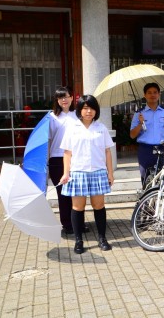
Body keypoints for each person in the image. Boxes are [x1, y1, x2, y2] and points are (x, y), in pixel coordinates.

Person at [60, 95, 115, 254]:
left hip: (98, 172)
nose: (88, 111)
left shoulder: (101, 128)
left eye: (91, 108)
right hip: (78, 172)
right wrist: (66, 173)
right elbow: (67, 153)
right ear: (79, 110)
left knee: (99, 206)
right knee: (78, 207)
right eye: (85, 108)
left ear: (96, 110)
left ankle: (102, 238)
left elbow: (107, 152)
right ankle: (78, 241)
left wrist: (110, 173)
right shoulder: (72, 128)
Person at [48, 86, 87, 235]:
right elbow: (48, 141)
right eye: (60, 97)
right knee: (63, 194)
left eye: (66, 96)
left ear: (72, 98)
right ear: (57, 100)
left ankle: (79, 223)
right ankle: (67, 224)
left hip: (76, 159)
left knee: (78, 193)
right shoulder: (51, 117)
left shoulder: (78, 116)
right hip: (57, 159)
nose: (64, 100)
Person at [130, 83, 164, 183]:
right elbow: (132, 135)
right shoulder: (139, 113)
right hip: (145, 150)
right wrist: (140, 124)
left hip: (163, 150)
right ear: (145, 95)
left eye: (155, 92)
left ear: (159, 94)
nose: (152, 95)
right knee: (147, 181)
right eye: (149, 93)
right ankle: (148, 198)